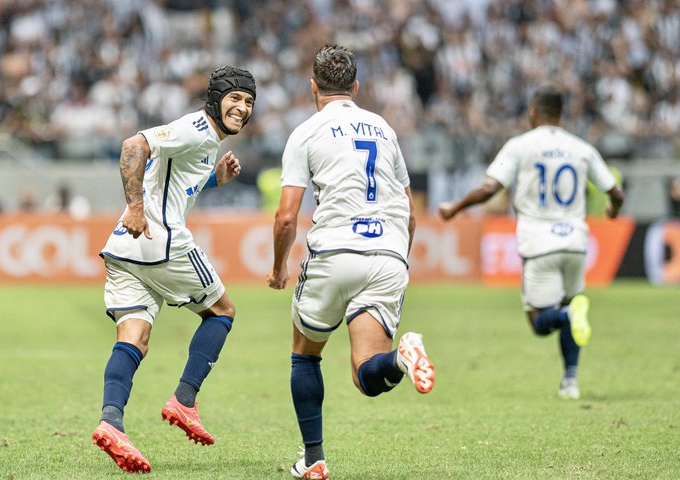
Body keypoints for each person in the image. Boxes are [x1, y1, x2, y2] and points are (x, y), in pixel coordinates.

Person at [267, 44, 436, 480]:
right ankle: (401, 358)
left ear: (312, 88)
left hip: (335, 252)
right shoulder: (383, 128)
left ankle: (314, 459)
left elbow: (287, 216)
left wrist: (278, 267)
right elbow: (410, 211)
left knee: (305, 355)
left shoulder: (306, 131)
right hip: (387, 256)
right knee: (368, 375)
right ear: (356, 87)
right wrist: (400, 259)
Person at [92, 66, 256, 473]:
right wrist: (134, 206)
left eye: (249, 101)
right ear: (216, 98)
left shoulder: (206, 142)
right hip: (160, 241)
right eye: (234, 98)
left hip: (125, 249)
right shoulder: (197, 129)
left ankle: (111, 422)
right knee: (222, 311)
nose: (242, 107)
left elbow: (175, 181)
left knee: (135, 335)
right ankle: (184, 400)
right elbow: (134, 145)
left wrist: (215, 180)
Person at [439, 87, 624, 400]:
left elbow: (489, 187)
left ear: (534, 111)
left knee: (540, 321)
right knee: (571, 306)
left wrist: (454, 208)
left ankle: (567, 319)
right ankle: (570, 381)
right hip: (577, 243)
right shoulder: (581, 148)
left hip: (540, 243)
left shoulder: (520, 146)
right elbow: (616, 193)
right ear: (560, 114)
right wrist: (612, 211)